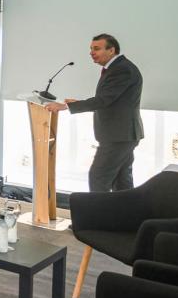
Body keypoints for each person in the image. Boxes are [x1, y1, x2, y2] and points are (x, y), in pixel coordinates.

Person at [44, 33, 144, 192]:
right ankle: (125, 216)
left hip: (118, 136)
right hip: (123, 135)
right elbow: (111, 99)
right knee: (122, 182)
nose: (91, 52)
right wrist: (77, 103)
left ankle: (99, 217)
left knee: (99, 177)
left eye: (96, 48)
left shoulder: (121, 69)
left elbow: (104, 100)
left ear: (111, 50)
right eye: (91, 49)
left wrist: (66, 107)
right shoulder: (117, 67)